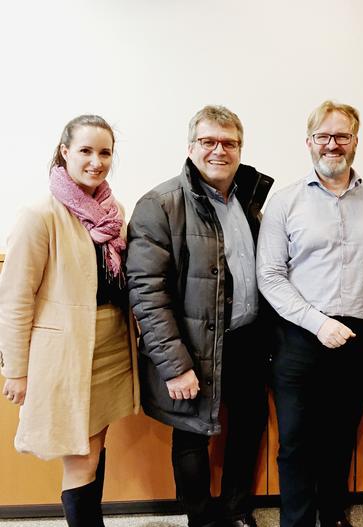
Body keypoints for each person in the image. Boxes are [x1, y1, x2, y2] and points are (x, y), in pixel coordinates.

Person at [126, 105, 273, 527]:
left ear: (240, 148)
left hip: (245, 341)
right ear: (191, 147)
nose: (218, 151)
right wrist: (175, 367)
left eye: (228, 143)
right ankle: (201, 519)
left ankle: (238, 510)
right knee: (192, 434)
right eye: (208, 141)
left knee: (247, 428)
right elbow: (147, 295)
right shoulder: (160, 204)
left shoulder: (249, 202)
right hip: (191, 347)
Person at [256, 100, 363, 527]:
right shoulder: (285, 202)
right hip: (300, 336)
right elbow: (270, 276)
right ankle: (296, 522)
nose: (332, 145)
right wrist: (319, 323)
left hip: (362, 339)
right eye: (323, 136)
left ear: (355, 141)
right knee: (296, 441)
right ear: (309, 142)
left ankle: (333, 516)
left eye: (342, 136)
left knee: (339, 437)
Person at [0, 115, 139, 526]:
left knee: (94, 446)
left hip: (111, 345)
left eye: (105, 152)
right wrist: (17, 370)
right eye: (85, 150)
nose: (96, 161)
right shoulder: (40, 215)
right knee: (80, 456)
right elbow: (15, 298)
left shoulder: (114, 211)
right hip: (66, 354)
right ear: (64, 152)